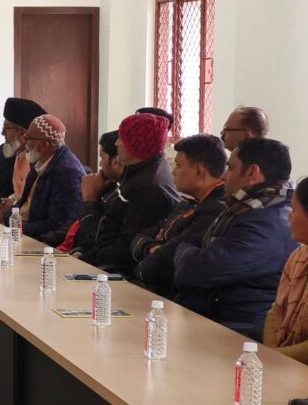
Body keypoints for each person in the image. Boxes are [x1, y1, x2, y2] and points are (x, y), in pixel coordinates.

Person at [174, 138, 297, 337]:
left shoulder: (266, 223)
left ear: (252, 172)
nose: (224, 175)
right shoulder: (245, 209)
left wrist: (185, 246)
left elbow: (194, 272)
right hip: (214, 317)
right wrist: (190, 250)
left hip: (237, 331)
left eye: (230, 168)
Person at [76, 113, 181, 274]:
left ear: (136, 144)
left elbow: (125, 249)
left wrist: (89, 199)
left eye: (122, 138)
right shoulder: (136, 173)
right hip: (102, 259)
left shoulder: (148, 187)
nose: (116, 143)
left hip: (118, 271)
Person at [132, 134, 228, 297]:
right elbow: (141, 236)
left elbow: (160, 266)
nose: (173, 171)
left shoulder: (214, 210)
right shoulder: (189, 202)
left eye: (178, 165)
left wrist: (152, 254)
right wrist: (151, 248)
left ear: (199, 171)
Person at [0, 114, 85, 247]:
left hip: (40, 242)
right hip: (22, 231)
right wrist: (6, 216)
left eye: (28, 138)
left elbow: (58, 224)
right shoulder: (40, 161)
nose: (25, 142)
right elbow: (24, 204)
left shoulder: (68, 173)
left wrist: (16, 228)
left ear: (44, 145)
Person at [264, 177, 308, 365]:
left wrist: (274, 357)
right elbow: (275, 311)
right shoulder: (299, 256)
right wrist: (271, 354)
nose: (289, 216)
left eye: (294, 209)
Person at [59, 131, 124, 252]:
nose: (100, 164)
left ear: (116, 161)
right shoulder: (107, 186)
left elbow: (99, 238)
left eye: (102, 158)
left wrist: (89, 198)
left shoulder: (123, 195)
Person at [0, 97, 46, 202]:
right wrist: (10, 201)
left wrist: (14, 204)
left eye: (7, 128)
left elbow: (35, 202)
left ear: (23, 134)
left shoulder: (40, 163)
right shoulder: (8, 153)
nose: (2, 133)